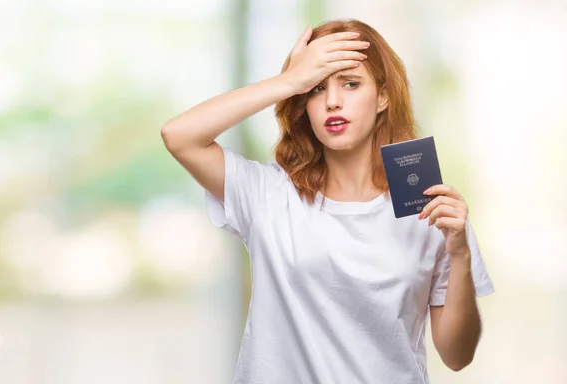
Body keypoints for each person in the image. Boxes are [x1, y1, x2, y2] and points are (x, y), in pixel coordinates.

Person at [161, 18, 495, 384]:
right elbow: (179, 136)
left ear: (382, 96)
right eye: (317, 88)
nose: (332, 102)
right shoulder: (268, 193)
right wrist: (289, 81)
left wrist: (460, 254)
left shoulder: (429, 208)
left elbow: (457, 355)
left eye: (350, 84)